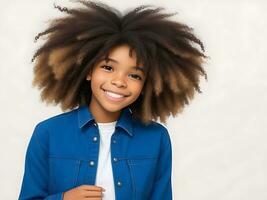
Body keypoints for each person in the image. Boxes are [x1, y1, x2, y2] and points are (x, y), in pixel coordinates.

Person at [18, 0, 208, 199]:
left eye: (134, 75)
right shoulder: (48, 133)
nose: (119, 81)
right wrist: (63, 198)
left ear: (146, 84)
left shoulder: (157, 138)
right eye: (108, 68)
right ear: (89, 70)